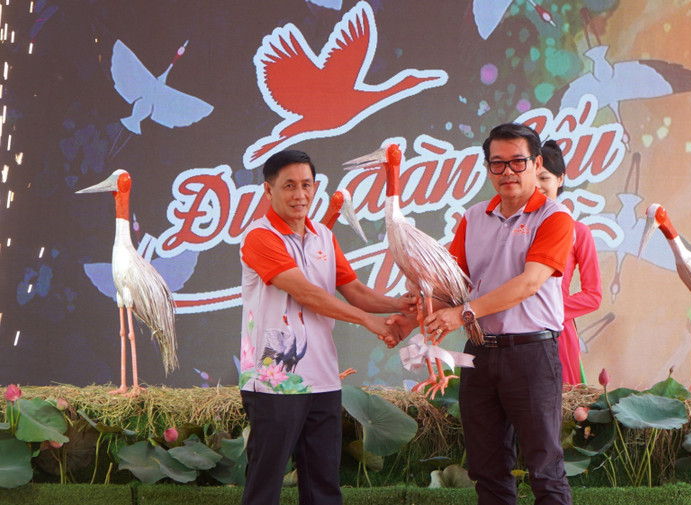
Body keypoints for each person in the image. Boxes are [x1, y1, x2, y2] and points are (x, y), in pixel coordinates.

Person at [238, 149, 414, 505]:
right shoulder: (259, 237)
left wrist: (399, 304)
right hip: (276, 380)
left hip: (323, 378)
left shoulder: (322, 235)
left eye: (306, 185)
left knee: (323, 486)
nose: (299, 195)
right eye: (289, 186)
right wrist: (368, 321)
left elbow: (356, 291)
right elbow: (306, 293)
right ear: (268, 191)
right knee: (264, 485)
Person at [423, 123, 575, 504]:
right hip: (479, 355)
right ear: (488, 167)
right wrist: (409, 315)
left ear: (536, 163)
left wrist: (463, 315)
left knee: (544, 469)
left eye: (518, 162)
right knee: (487, 470)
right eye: (498, 164)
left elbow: (529, 283)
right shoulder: (473, 217)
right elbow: (450, 286)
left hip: (531, 354)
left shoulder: (554, 218)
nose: (507, 172)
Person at [538, 140, 602, 385]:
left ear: (560, 179)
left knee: (564, 417)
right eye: (532, 178)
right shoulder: (514, 229)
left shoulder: (578, 232)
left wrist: (547, 310)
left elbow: (593, 296)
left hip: (558, 334)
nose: (537, 186)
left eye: (544, 178)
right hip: (515, 336)